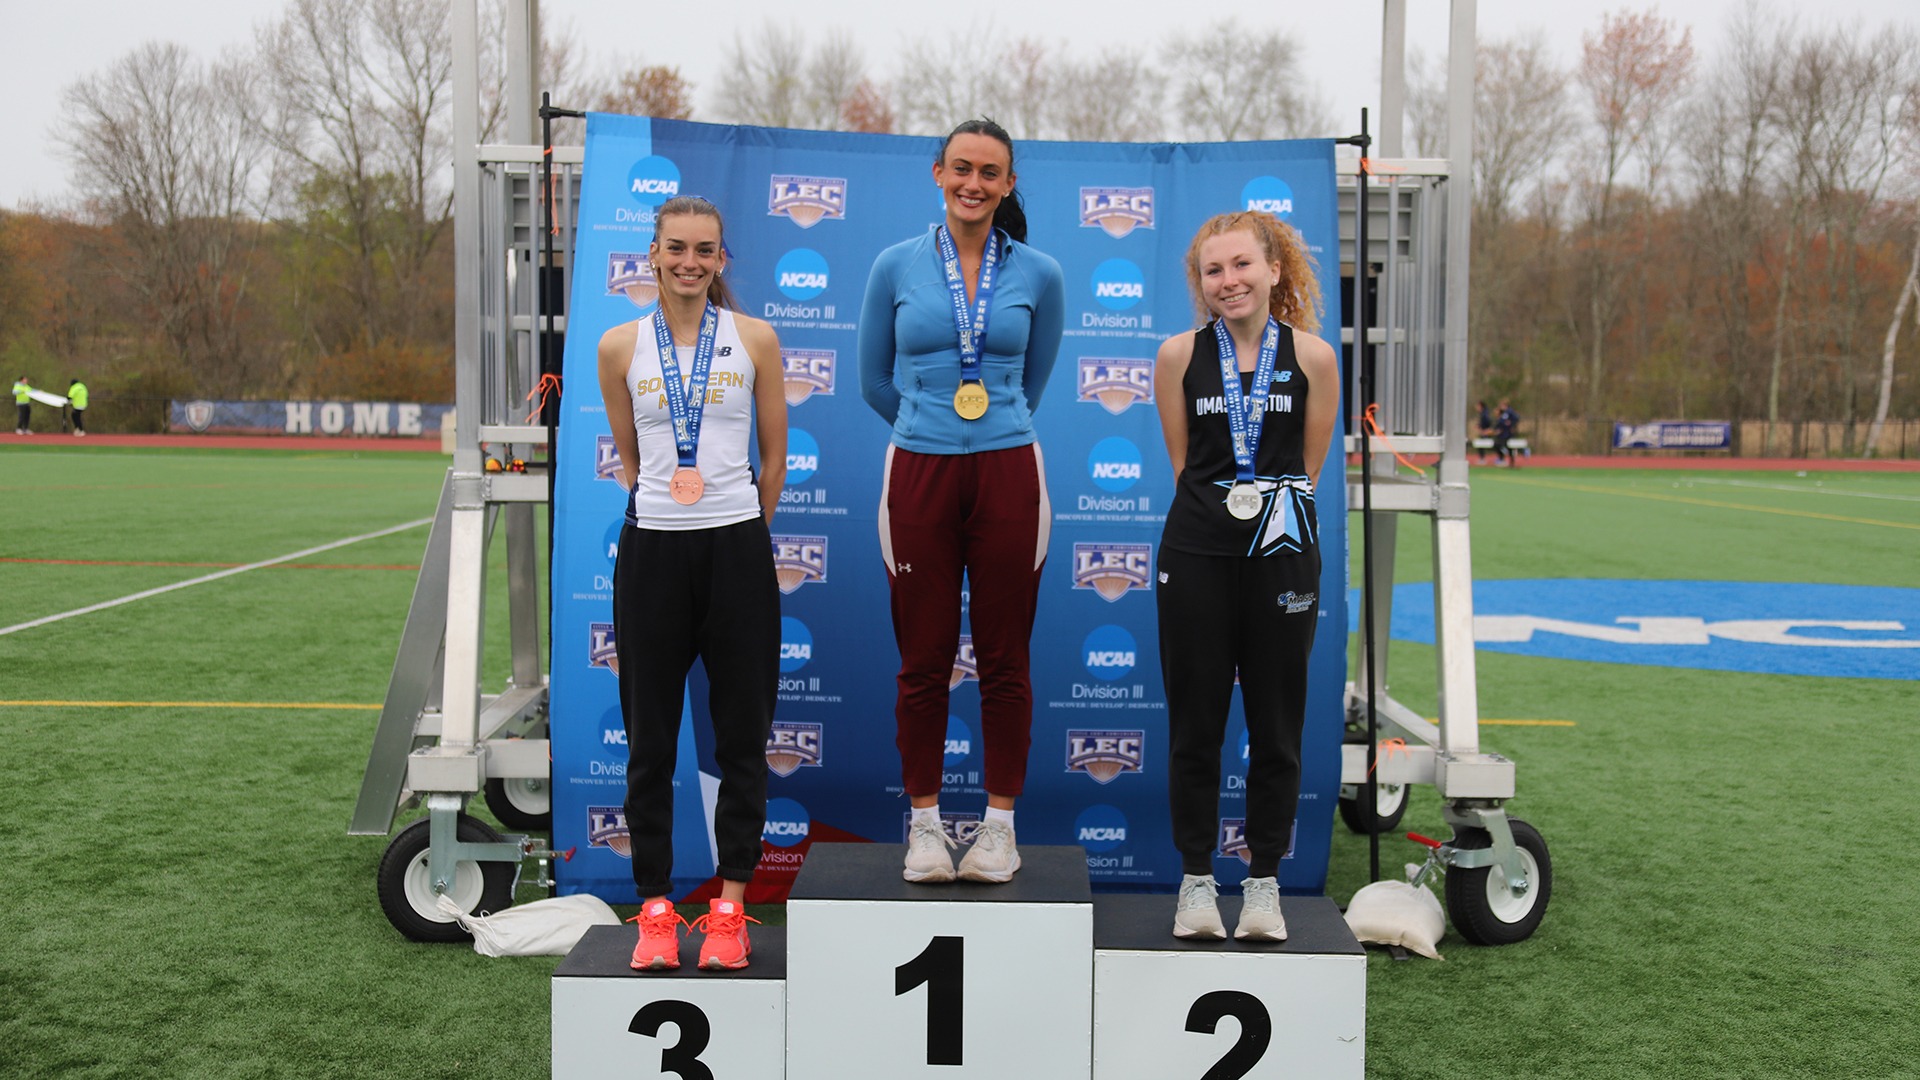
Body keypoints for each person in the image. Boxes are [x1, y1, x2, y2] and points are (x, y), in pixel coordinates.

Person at [858, 118, 1066, 884]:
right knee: (925, 659)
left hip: (1011, 467)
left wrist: (988, 425)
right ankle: (923, 826)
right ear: (938, 172)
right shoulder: (895, 265)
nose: (974, 183)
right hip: (918, 471)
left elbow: (1031, 381)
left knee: (1007, 657)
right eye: (962, 169)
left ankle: (999, 829)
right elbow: (872, 380)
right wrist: (929, 425)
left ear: (1008, 184)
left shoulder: (1040, 272)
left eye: (991, 173)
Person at [594, 196, 787, 971]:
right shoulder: (618, 346)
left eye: (704, 250)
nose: (689, 262)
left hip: (737, 550)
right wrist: (672, 513)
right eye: (676, 248)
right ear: (653, 252)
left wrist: (742, 526)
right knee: (650, 742)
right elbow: (632, 458)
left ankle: (731, 912)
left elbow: (773, 458)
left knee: (742, 738)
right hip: (654, 557)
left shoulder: (756, 340)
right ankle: (654, 912)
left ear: (721, 259)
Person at [1152, 211, 1339, 941]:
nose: (1228, 281)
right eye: (1213, 270)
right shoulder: (1178, 357)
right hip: (1197, 554)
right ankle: (1197, 879)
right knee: (1195, 727)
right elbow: (1184, 464)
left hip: (1283, 559)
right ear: (1200, 282)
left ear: (1274, 270)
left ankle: (1263, 883)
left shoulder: (1315, 358)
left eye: (1241, 266)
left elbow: (1309, 466)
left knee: (1277, 728)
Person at [1494, 398, 1521, 467]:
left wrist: (1512, 425)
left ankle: (1509, 461)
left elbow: (1516, 418)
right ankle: (1503, 460)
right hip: (1504, 434)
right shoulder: (1504, 413)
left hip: (1508, 434)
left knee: (1507, 446)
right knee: (1502, 446)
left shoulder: (1510, 411)